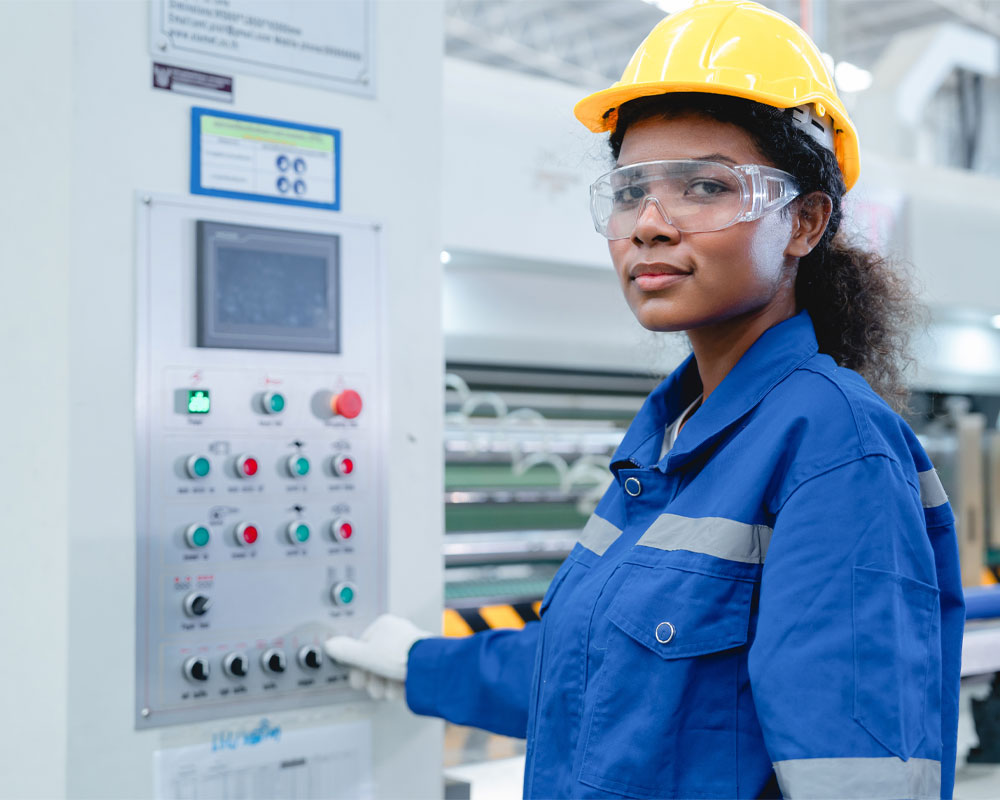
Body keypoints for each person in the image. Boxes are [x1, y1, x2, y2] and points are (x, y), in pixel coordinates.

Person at [326, 1, 965, 797]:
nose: (650, 225)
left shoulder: (831, 444)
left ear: (804, 222)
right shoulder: (671, 441)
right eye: (630, 191)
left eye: (704, 186)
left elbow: (857, 774)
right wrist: (422, 666)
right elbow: (593, 667)